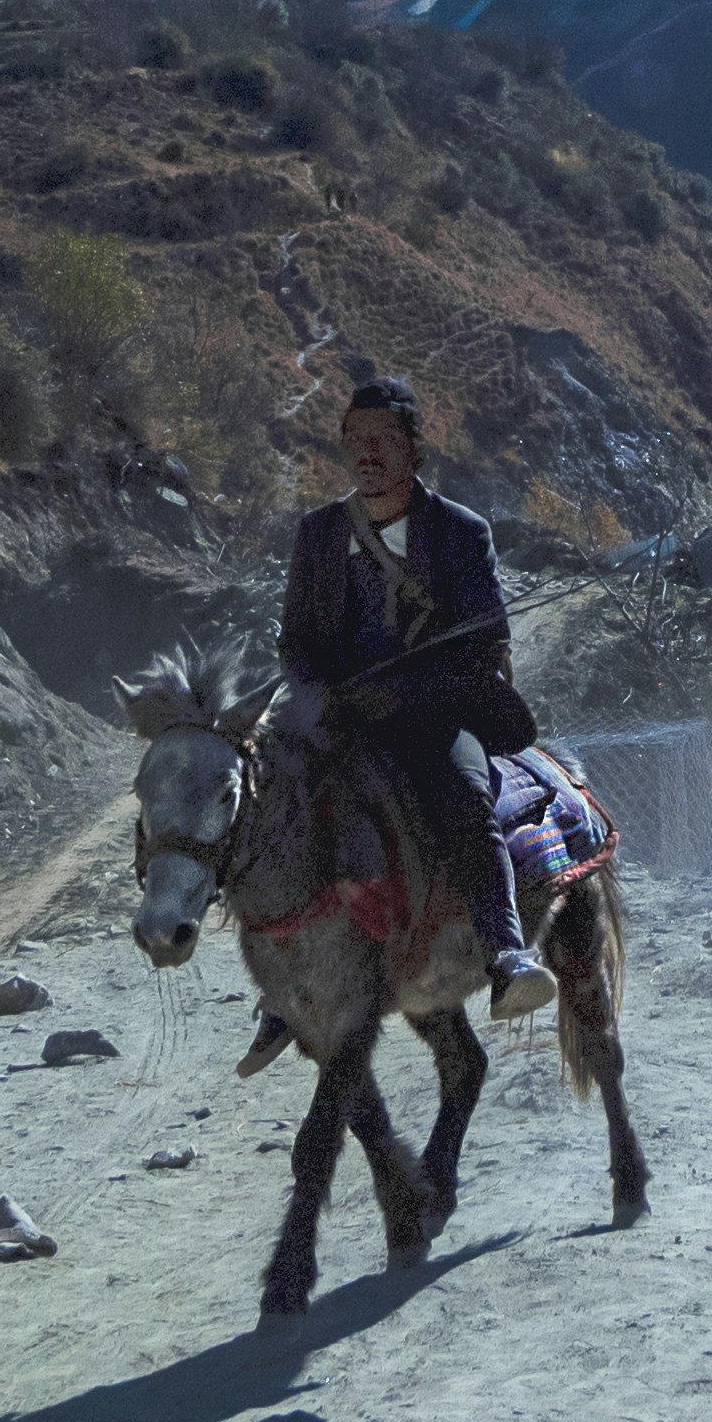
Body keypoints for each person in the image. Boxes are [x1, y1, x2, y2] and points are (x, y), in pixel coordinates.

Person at [278, 380, 555, 1022]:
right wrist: (323, 698)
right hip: (341, 724)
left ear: (412, 449)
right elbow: (296, 645)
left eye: (381, 440)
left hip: (435, 721)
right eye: (354, 440)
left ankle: (506, 954)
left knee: (464, 799)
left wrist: (405, 693)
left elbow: (485, 644)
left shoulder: (461, 533)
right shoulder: (317, 535)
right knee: (275, 803)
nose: (365, 453)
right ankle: (283, 983)